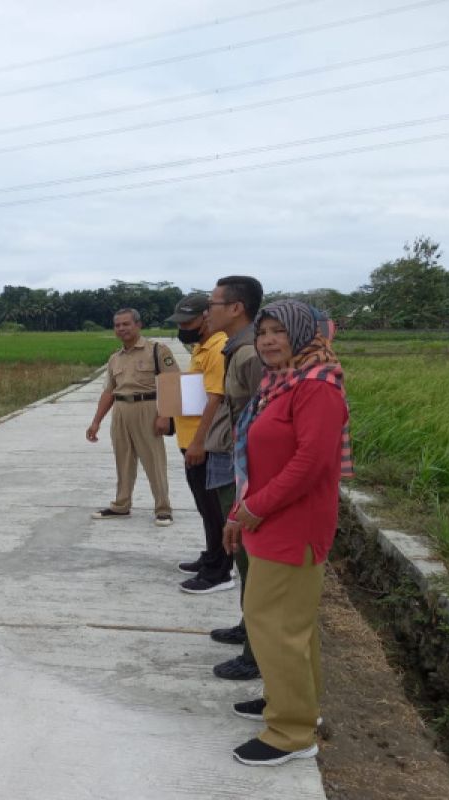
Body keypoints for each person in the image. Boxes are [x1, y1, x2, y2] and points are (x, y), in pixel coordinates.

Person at [222, 299, 353, 766]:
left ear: (303, 334)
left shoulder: (317, 389)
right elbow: (259, 459)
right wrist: (241, 509)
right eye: (263, 333)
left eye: (279, 331)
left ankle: (292, 731)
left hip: (292, 525)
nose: (268, 341)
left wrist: (254, 507)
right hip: (269, 521)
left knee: (272, 624)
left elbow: (310, 464)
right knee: (290, 626)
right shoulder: (280, 384)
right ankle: (293, 702)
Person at [202, 276, 266, 680]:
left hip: (243, 466)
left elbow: (261, 416)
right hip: (231, 457)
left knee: (249, 557)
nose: (209, 311)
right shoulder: (236, 349)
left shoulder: (248, 355)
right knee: (243, 558)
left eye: (214, 304)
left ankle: (255, 651)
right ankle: (249, 629)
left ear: (236, 307)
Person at [165, 295, 234, 593]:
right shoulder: (201, 347)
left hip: (201, 443)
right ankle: (211, 556)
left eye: (188, 322)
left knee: (213, 508)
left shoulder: (217, 347)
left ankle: (219, 572)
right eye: (179, 322)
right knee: (204, 507)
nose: (183, 327)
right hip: (190, 439)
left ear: (206, 316)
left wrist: (199, 442)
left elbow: (216, 398)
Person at [86, 308, 179, 527]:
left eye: (126, 324)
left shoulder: (157, 350)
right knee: (123, 460)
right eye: (117, 325)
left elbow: (172, 383)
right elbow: (109, 391)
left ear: (138, 325)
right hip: (120, 410)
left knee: (153, 460)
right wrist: (96, 421)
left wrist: (165, 415)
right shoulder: (114, 359)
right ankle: (121, 505)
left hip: (147, 408)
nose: (121, 329)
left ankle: (163, 508)